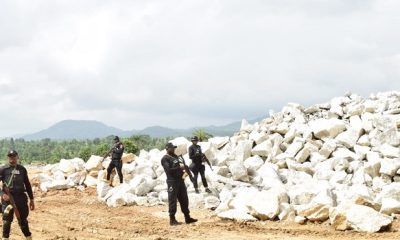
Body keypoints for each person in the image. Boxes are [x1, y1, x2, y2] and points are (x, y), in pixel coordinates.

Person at [0, 150, 34, 240]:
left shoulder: (22, 169)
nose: (12, 158)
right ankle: (5, 238)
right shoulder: (3, 169)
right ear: (8, 158)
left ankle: (28, 237)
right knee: (6, 221)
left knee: (23, 220)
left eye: (14, 156)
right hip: (7, 199)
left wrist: (32, 199)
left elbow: (27, 184)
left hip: (21, 198)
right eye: (10, 156)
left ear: (17, 157)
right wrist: (2, 194)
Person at [161, 142, 197, 226]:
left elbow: (182, 168)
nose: (174, 149)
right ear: (167, 148)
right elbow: (169, 170)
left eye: (174, 148)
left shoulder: (175, 156)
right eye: (172, 148)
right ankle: (172, 219)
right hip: (172, 182)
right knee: (172, 200)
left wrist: (187, 174)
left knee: (184, 199)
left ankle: (187, 218)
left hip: (180, 181)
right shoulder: (165, 159)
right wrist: (180, 168)